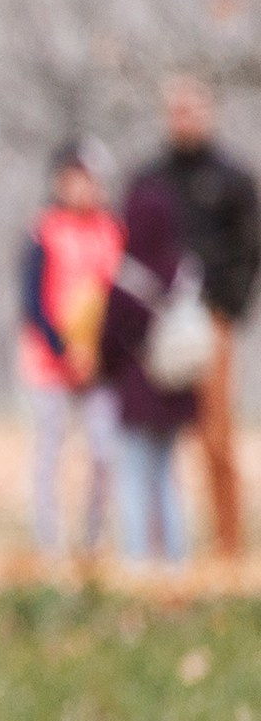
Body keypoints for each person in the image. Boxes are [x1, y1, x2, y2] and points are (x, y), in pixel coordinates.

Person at [135, 76, 258, 555]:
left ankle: (229, 545)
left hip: (210, 320)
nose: (185, 117)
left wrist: (227, 308)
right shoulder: (149, 179)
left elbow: (250, 247)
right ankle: (158, 545)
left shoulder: (232, 178)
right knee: (154, 433)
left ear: (209, 113)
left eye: (194, 108)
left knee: (217, 437)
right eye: (177, 109)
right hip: (155, 323)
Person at [19, 143, 123, 557]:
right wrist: (65, 349)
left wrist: (99, 351)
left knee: (103, 452)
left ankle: (94, 540)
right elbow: (31, 300)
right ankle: (50, 545)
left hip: (100, 364)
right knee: (49, 454)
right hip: (50, 364)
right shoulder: (44, 230)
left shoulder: (113, 231)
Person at [102, 174, 201, 566]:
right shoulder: (185, 270)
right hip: (177, 391)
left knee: (133, 477)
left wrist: (108, 370)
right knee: (167, 477)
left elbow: (110, 338)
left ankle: (137, 558)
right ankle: (177, 558)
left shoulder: (128, 274)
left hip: (137, 389)